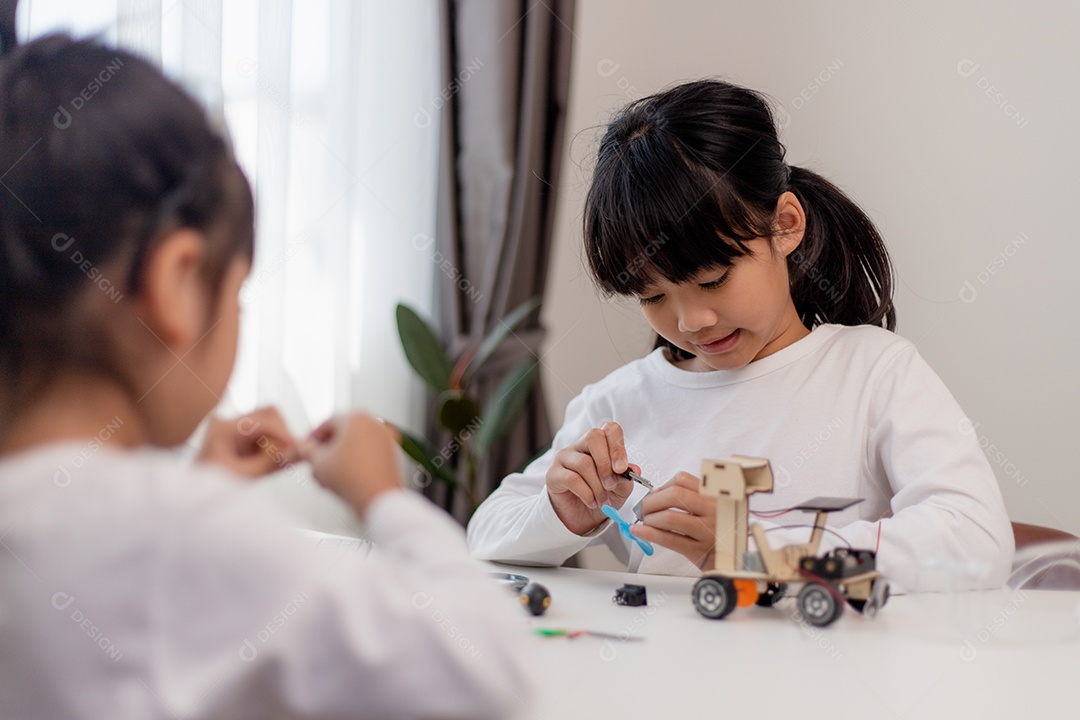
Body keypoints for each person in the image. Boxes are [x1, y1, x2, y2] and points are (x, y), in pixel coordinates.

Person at [0, 28, 532, 720]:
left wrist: (202, 492)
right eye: (240, 294)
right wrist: (383, 496)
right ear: (178, 282)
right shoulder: (184, 536)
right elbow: (484, 667)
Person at [467, 79, 1014, 592]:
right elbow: (486, 533)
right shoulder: (617, 406)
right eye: (654, 296)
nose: (690, 322)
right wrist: (564, 513)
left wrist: (752, 550)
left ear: (785, 225)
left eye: (714, 280)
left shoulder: (873, 373)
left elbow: (977, 539)